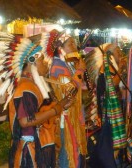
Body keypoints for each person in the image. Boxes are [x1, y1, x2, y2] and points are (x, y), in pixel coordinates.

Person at [0, 32, 76, 167]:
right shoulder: (25, 88)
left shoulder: (32, 86)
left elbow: (41, 111)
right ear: (32, 63)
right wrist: (56, 109)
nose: (45, 64)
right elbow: (25, 121)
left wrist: (62, 105)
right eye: (42, 61)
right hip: (29, 152)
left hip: (39, 146)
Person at [42, 29, 87, 168]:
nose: (75, 47)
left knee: (73, 151)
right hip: (66, 119)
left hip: (72, 116)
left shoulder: (66, 65)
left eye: (74, 44)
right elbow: (69, 92)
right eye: (71, 44)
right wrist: (79, 71)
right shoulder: (57, 66)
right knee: (68, 153)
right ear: (60, 48)